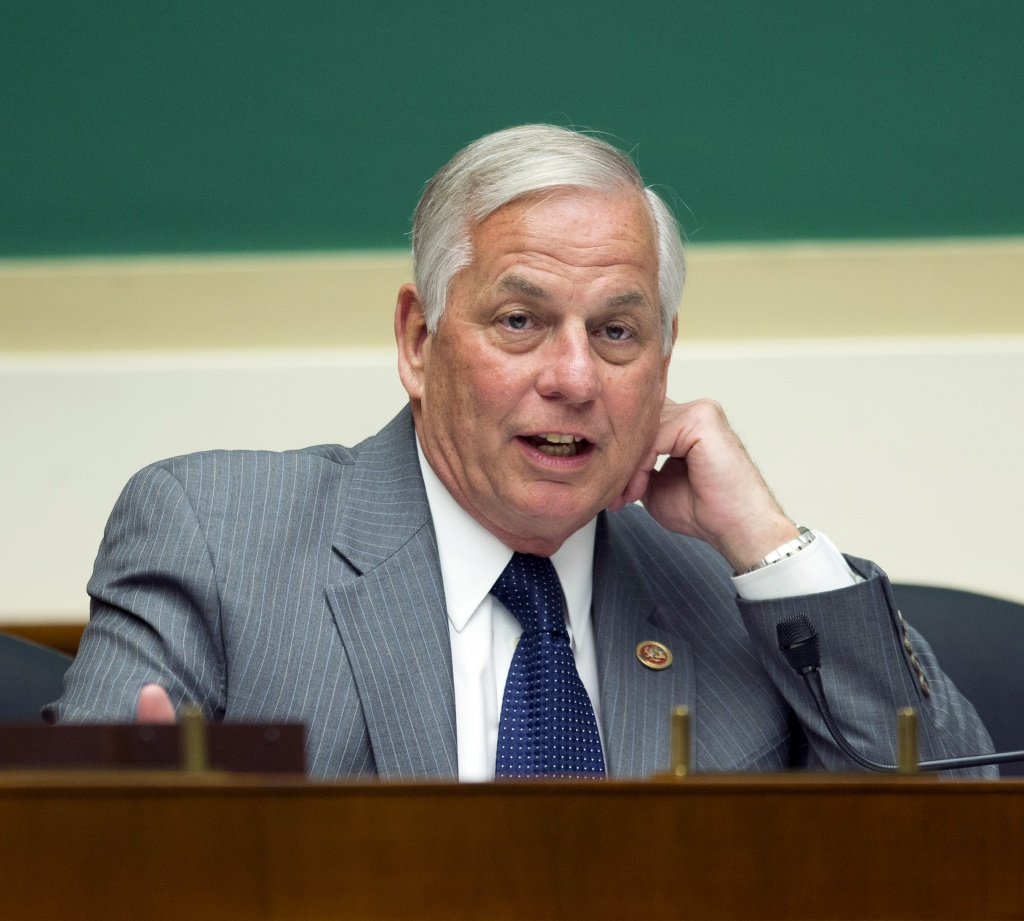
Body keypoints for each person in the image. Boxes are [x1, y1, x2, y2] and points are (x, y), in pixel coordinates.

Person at [49, 125, 994, 779]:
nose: (575, 377)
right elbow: (70, 848)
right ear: (419, 342)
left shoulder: (723, 592)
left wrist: (772, 547)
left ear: (666, 362)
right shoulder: (217, 536)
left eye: (618, 333)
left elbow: (964, 837)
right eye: (520, 320)